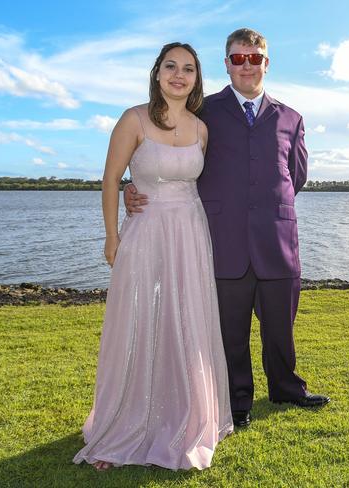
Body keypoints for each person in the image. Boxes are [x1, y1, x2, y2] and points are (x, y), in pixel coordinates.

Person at [125, 29, 329, 429]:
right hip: (221, 239)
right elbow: (169, 155)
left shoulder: (291, 118)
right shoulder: (204, 111)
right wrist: (135, 185)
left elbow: (296, 176)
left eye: (255, 58)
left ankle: (287, 389)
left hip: (277, 239)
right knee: (229, 331)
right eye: (238, 58)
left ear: (266, 63)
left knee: (280, 328)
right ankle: (237, 401)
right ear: (227, 64)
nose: (247, 65)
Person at [73, 42, 233, 472]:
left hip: (191, 232)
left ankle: (188, 415)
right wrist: (111, 236)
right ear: (157, 73)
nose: (179, 75)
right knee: (140, 319)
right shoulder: (134, 118)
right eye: (171, 67)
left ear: (197, 78)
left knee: (188, 319)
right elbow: (110, 180)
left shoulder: (201, 128)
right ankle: (123, 422)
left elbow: (204, 183)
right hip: (145, 232)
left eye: (188, 69)